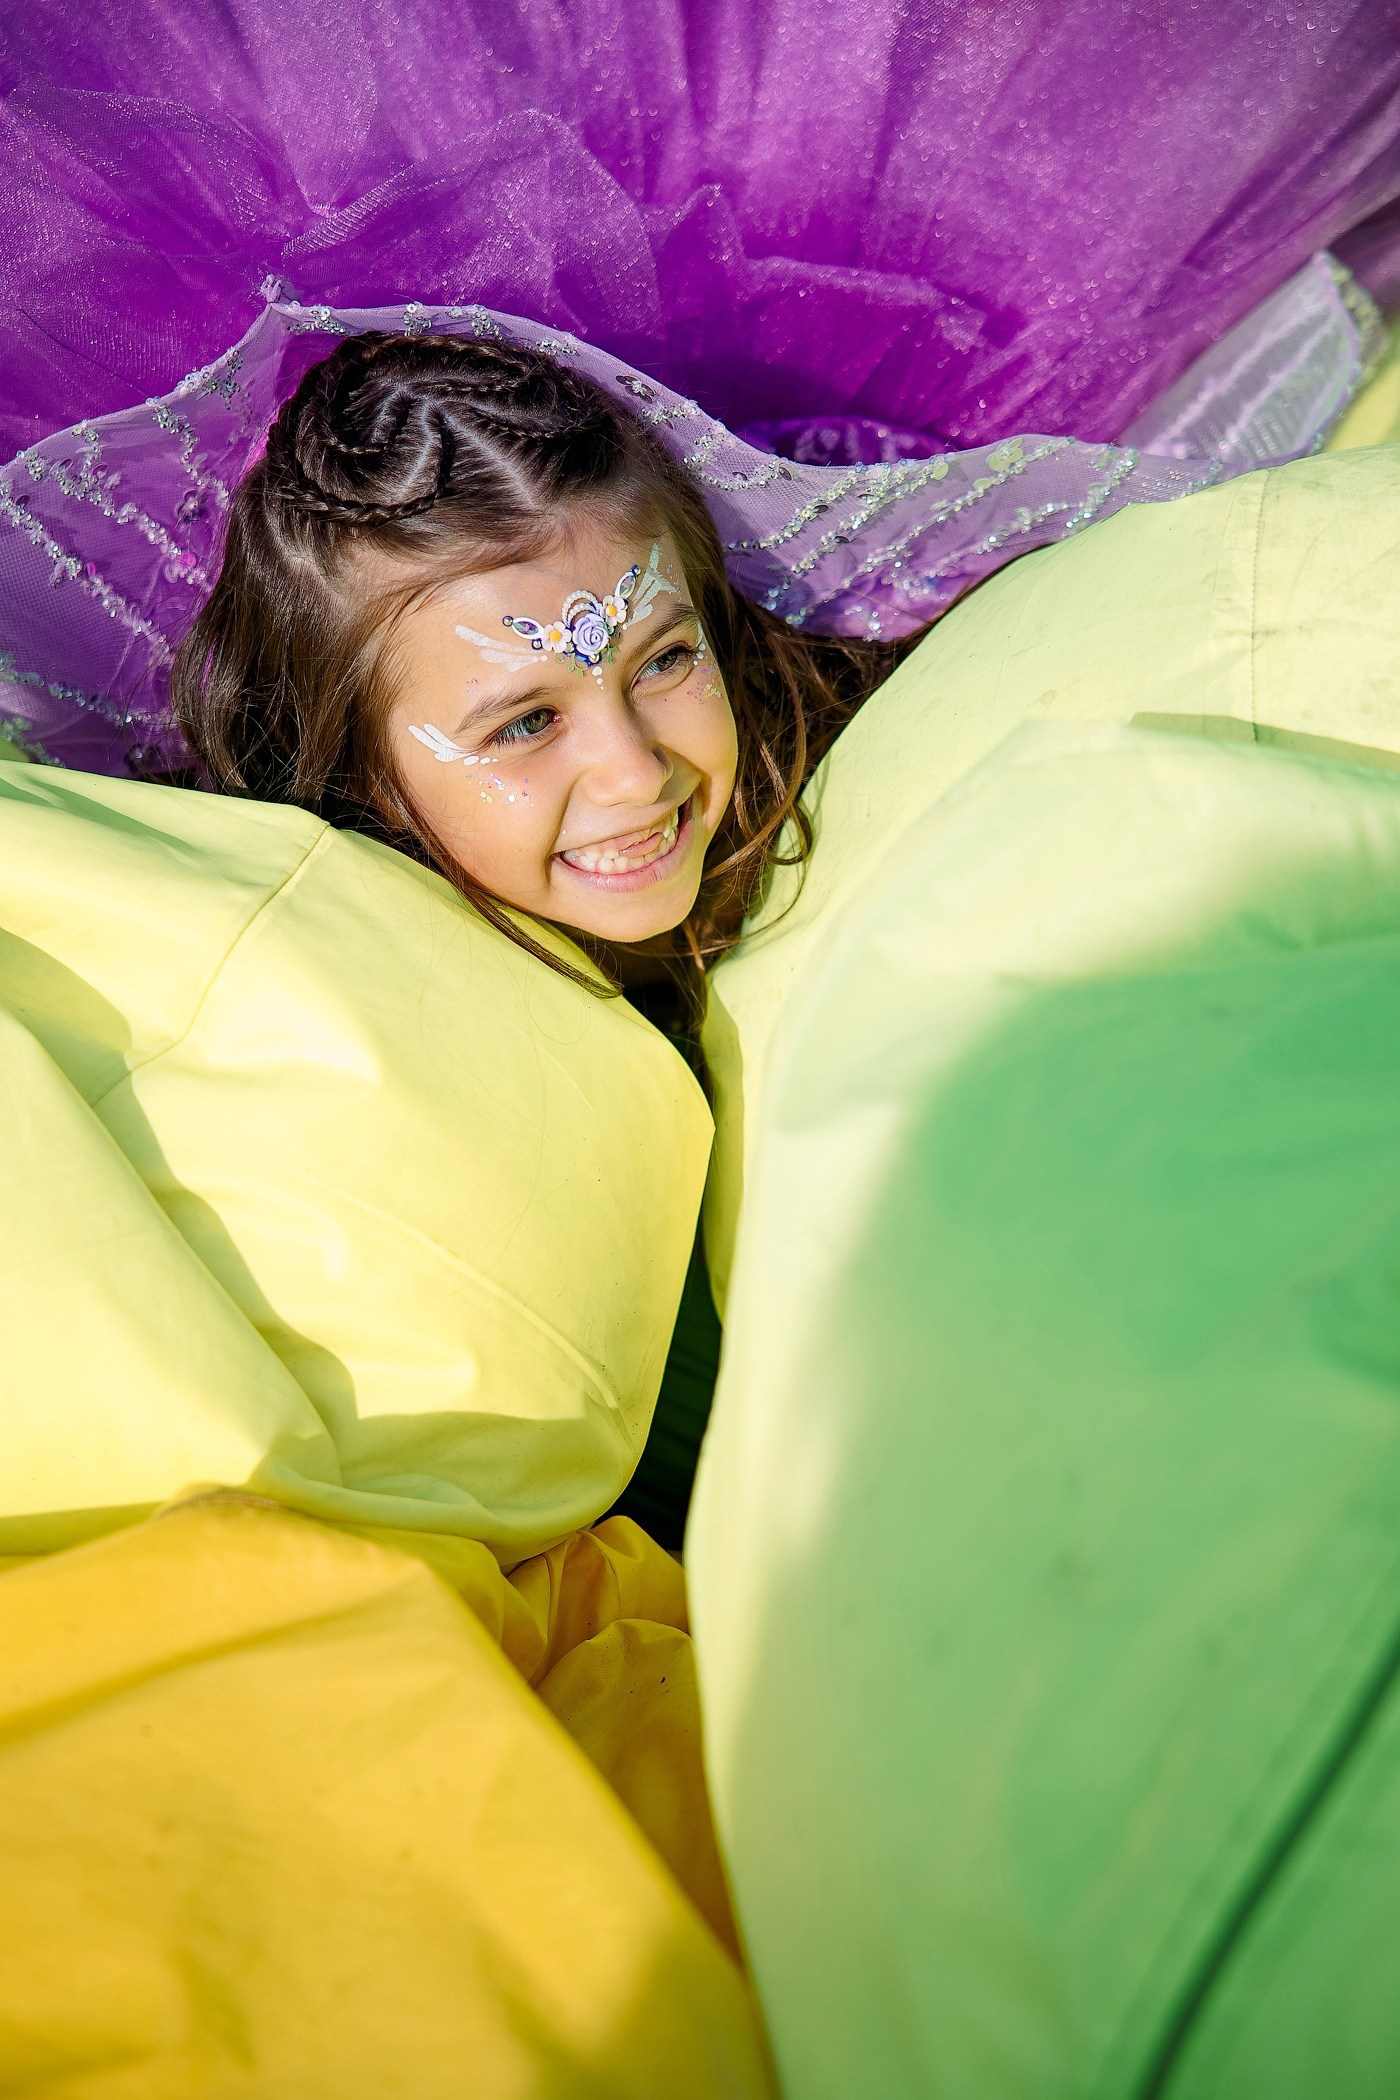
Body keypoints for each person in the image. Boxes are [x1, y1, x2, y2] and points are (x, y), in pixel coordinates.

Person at [173, 330, 906, 1034]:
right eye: (525, 724)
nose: (634, 774)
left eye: (662, 661)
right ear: (359, 771)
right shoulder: (343, 1017)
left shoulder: (875, 781)